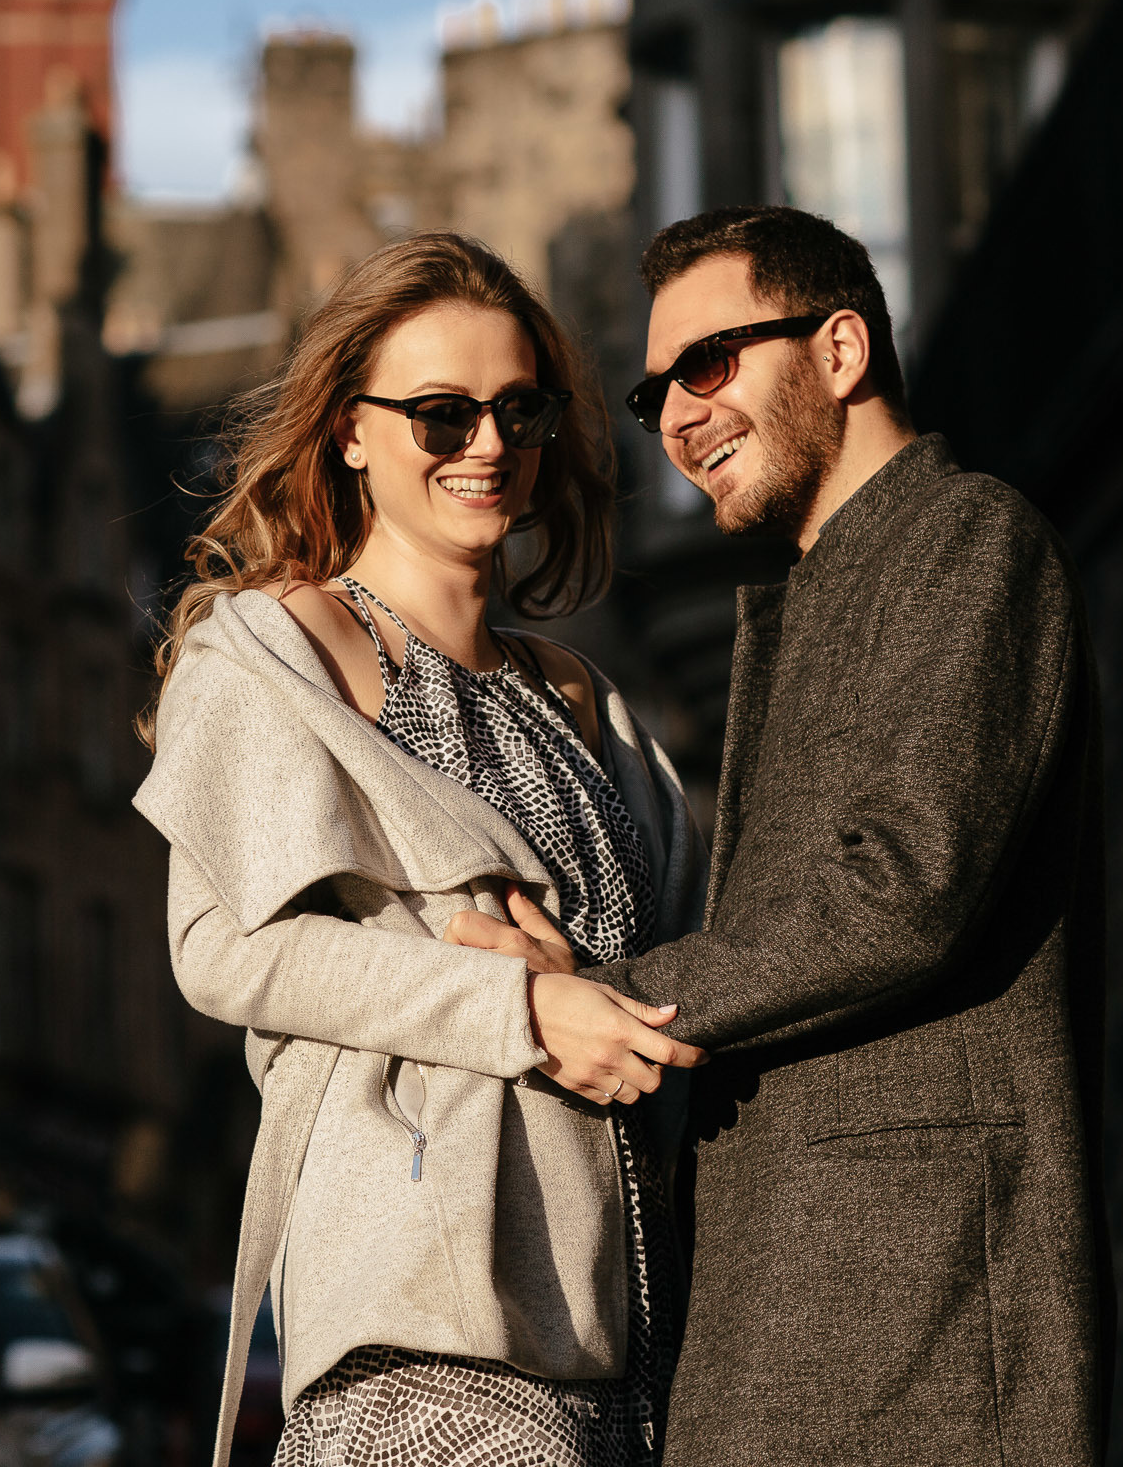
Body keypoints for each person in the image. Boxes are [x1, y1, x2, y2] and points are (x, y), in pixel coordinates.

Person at [461, 205, 1110, 1464]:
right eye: (659, 394)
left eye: (710, 364)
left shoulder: (971, 539)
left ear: (842, 350)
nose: (681, 417)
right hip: (797, 1305)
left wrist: (610, 997)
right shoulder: (813, 599)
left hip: (923, 1307)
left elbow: (899, 889)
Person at [134, 232, 708, 1467]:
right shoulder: (276, 650)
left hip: (631, 1329)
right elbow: (223, 953)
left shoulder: (587, 702)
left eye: (520, 409)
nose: (488, 446)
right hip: (425, 1316)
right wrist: (519, 1005)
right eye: (441, 416)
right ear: (351, 431)